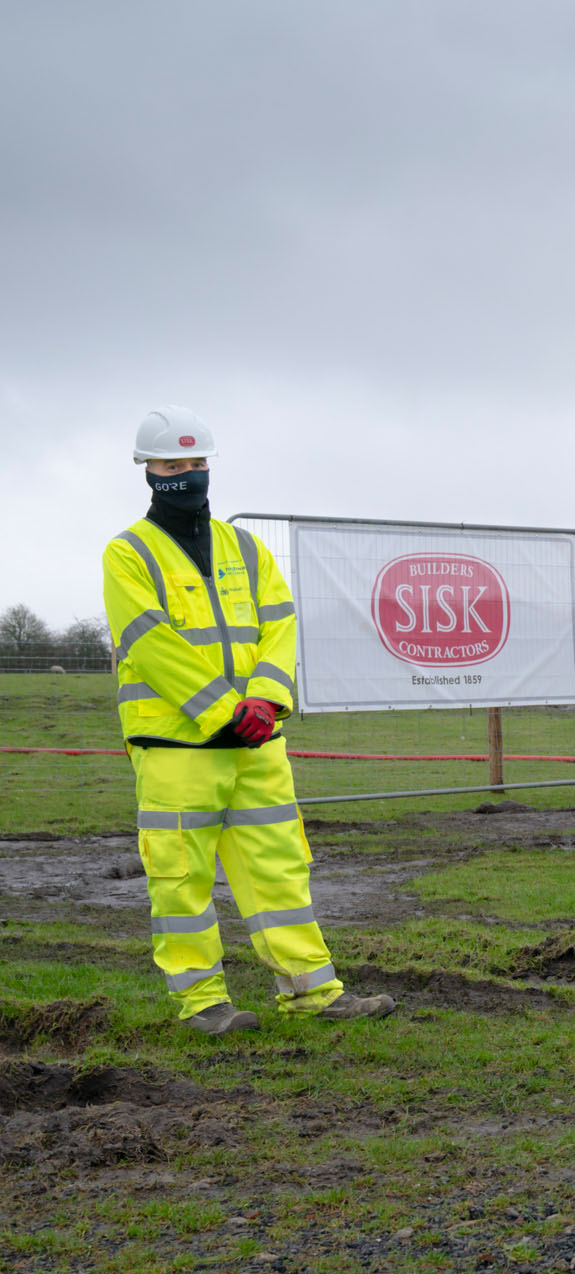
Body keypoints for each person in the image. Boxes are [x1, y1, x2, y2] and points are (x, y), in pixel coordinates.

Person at [103, 407, 395, 1034]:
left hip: (258, 742)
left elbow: (280, 625)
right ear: (147, 471)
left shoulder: (246, 548)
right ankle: (202, 1002)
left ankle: (311, 990)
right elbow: (148, 642)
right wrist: (222, 711)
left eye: (196, 464)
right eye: (173, 466)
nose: (187, 475)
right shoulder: (127, 555)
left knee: (279, 868)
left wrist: (265, 701)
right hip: (176, 744)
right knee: (181, 878)